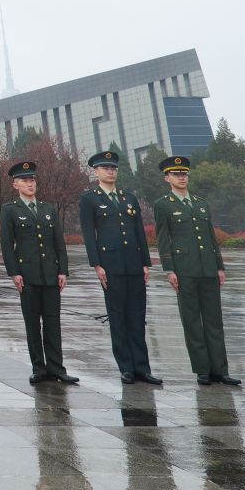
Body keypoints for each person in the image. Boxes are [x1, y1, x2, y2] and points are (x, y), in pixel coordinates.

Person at [152, 155, 240, 387]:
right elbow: (163, 239)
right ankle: (202, 370)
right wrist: (169, 269)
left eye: (184, 173)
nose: (181, 177)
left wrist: (219, 266)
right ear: (167, 178)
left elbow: (211, 237)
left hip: (208, 269)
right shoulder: (163, 205)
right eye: (176, 174)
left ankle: (220, 370)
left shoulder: (201, 203)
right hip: (185, 270)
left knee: (214, 321)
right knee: (192, 321)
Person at [80, 150, 161, 386]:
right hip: (111, 265)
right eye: (105, 168)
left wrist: (145, 262)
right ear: (96, 172)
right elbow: (89, 234)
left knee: (137, 316)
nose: (110, 172)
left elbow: (139, 232)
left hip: (134, 264)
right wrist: (97, 264)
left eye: (113, 168)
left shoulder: (129, 198)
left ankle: (142, 367)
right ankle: (126, 367)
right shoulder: (90, 199)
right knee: (118, 317)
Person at [0, 159, 75, 386]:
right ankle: (39, 368)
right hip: (28, 275)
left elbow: (58, 243)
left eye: (32, 180)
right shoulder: (10, 210)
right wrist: (14, 273)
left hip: (50, 274)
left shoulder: (47, 209)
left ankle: (57, 368)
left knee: (53, 323)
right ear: (15, 184)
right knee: (32, 323)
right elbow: (7, 245)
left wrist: (63, 271)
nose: (30, 184)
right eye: (24, 180)